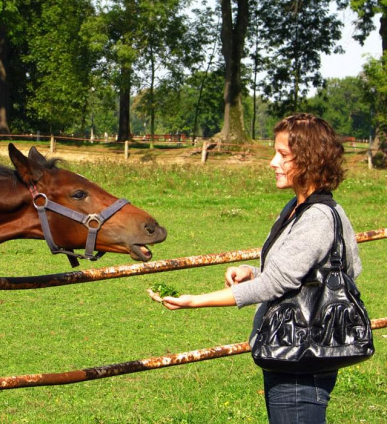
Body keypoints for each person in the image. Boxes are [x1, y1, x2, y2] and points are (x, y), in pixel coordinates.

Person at [148, 113, 362, 424]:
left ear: (311, 159)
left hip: (302, 360)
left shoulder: (317, 217)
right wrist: (254, 272)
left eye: (283, 155)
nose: (273, 162)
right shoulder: (295, 208)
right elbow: (303, 272)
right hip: (290, 352)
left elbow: (279, 283)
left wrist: (195, 300)